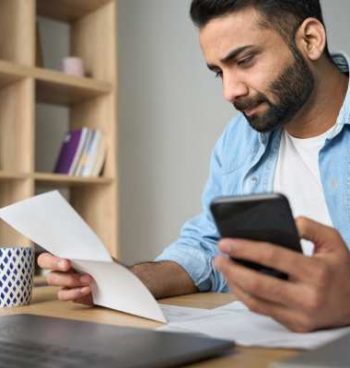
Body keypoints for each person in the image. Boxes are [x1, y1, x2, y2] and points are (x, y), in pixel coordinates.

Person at [38, 0, 350, 332]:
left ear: (311, 40)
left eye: (245, 60)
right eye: (219, 72)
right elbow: (209, 247)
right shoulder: (238, 139)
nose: (230, 91)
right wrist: (128, 281)